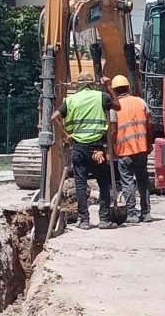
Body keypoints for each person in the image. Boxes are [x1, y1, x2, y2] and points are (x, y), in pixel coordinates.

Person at [51, 71, 121, 230]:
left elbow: (53, 117)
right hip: (97, 148)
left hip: (78, 147)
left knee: (80, 184)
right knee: (103, 183)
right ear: (92, 84)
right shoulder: (100, 96)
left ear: (78, 85)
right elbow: (117, 106)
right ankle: (104, 219)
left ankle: (84, 220)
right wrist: (109, 87)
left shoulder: (70, 100)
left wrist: (66, 135)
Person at [110, 75, 154, 225]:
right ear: (128, 87)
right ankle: (146, 212)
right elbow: (150, 123)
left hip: (124, 151)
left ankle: (132, 214)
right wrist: (149, 142)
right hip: (141, 148)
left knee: (127, 182)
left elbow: (113, 130)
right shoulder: (140, 102)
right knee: (142, 180)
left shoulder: (114, 107)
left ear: (114, 91)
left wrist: (111, 148)